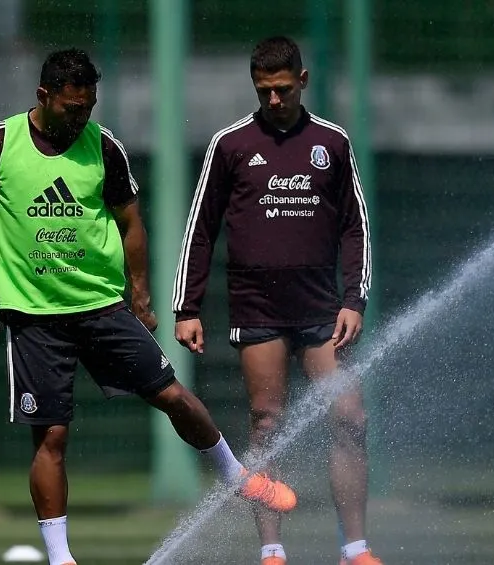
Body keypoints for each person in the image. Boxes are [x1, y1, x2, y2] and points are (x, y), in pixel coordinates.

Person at [0, 48, 296, 565]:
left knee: (173, 395)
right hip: (34, 316)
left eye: (88, 106)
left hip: (101, 306)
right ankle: (61, 558)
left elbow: (132, 225)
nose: (80, 117)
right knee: (52, 437)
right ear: (44, 96)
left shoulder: (104, 147)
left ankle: (237, 477)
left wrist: (141, 296)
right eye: (71, 107)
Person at [171, 36, 378, 565]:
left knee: (349, 414)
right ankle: (272, 550)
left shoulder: (331, 142)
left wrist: (353, 298)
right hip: (257, 309)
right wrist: (187, 308)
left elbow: (356, 227)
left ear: (302, 81)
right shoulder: (232, 143)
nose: (274, 101)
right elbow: (201, 228)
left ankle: (355, 549)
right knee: (267, 421)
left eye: (283, 89)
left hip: (320, 310)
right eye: (264, 91)